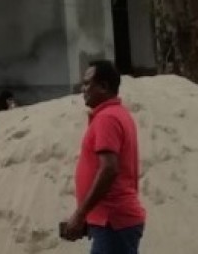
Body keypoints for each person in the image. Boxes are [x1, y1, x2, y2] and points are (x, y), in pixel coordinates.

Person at [62, 60, 145, 253]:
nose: (83, 89)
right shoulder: (117, 114)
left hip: (112, 220)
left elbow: (109, 169)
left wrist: (81, 214)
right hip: (112, 220)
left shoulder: (107, 118)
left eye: (87, 84)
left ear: (103, 86)